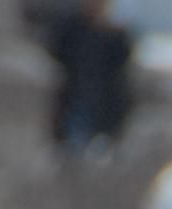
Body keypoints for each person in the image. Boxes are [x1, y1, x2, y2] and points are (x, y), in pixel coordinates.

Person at [44, 0, 135, 153]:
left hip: (105, 106)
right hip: (75, 102)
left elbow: (122, 63)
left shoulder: (114, 35)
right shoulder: (72, 29)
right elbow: (58, 51)